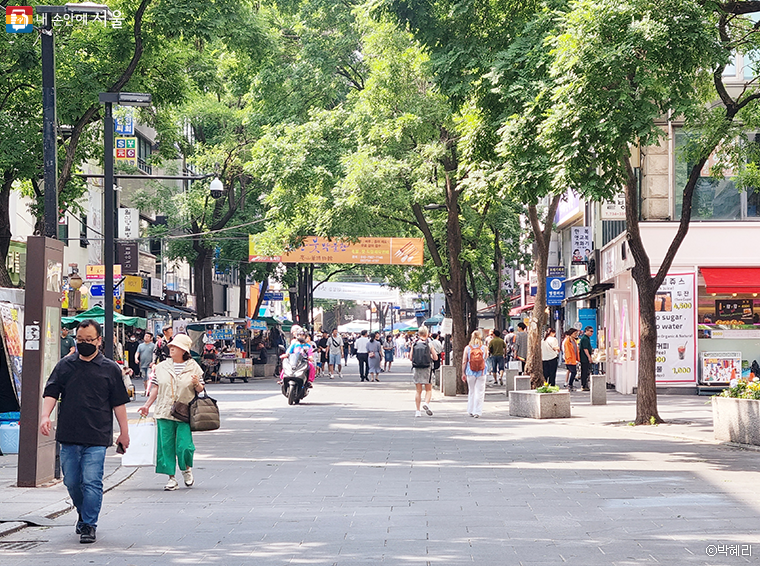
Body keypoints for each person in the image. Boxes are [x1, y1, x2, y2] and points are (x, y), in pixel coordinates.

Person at [39, 319, 130, 544]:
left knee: (91, 481)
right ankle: (83, 512)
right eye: (80, 340)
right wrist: (44, 416)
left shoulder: (110, 368)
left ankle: (89, 524)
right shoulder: (64, 365)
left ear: (99, 341)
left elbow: (119, 403)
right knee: (71, 481)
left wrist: (124, 432)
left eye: (89, 340)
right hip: (69, 433)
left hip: (97, 434)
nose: (84, 344)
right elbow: (51, 391)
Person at [138, 334, 204, 491]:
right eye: (171, 346)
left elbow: (201, 389)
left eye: (175, 347)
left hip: (184, 412)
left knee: (185, 446)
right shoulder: (161, 367)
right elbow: (156, 388)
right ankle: (171, 478)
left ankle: (186, 469)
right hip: (163, 411)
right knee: (165, 446)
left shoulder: (193, 366)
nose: (171, 349)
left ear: (183, 350)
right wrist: (147, 405)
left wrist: (196, 383)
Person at [409, 326, 438, 417]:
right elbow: (435, 357)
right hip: (427, 368)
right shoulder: (429, 344)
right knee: (428, 389)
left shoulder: (414, 344)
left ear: (418, 334)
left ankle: (418, 411)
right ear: (427, 334)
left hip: (416, 368)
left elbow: (410, 357)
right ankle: (426, 403)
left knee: (418, 390)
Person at [136, 332, 155, 397]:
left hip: (150, 365)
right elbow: (137, 353)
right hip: (142, 364)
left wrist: (153, 362)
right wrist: (136, 358)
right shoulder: (140, 345)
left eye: (148, 336)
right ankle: (146, 390)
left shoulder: (153, 345)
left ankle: (148, 391)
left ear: (150, 338)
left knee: (148, 378)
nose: (146, 337)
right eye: (145, 336)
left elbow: (154, 354)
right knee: (144, 379)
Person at [579, 326, 594, 391]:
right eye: (591, 331)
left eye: (592, 331)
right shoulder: (585, 338)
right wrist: (589, 357)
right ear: (586, 331)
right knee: (585, 372)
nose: (592, 333)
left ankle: (585, 385)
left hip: (585, 358)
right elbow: (585, 349)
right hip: (584, 359)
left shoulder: (587, 338)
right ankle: (584, 385)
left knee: (586, 372)